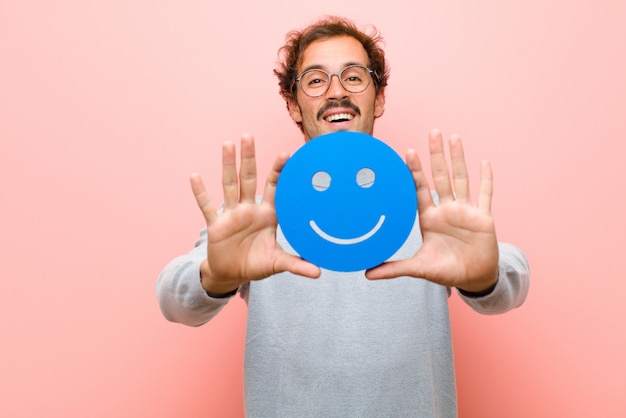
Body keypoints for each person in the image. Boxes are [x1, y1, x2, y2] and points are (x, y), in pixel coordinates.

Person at [156, 16, 530, 417]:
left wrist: (486, 279)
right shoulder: (257, 220)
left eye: (353, 77)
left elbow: (513, 277)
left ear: (379, 97)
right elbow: (173, 297)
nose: (336, 91)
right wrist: (216, 276)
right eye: (316, 80)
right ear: (293, 106)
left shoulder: (433, 215)